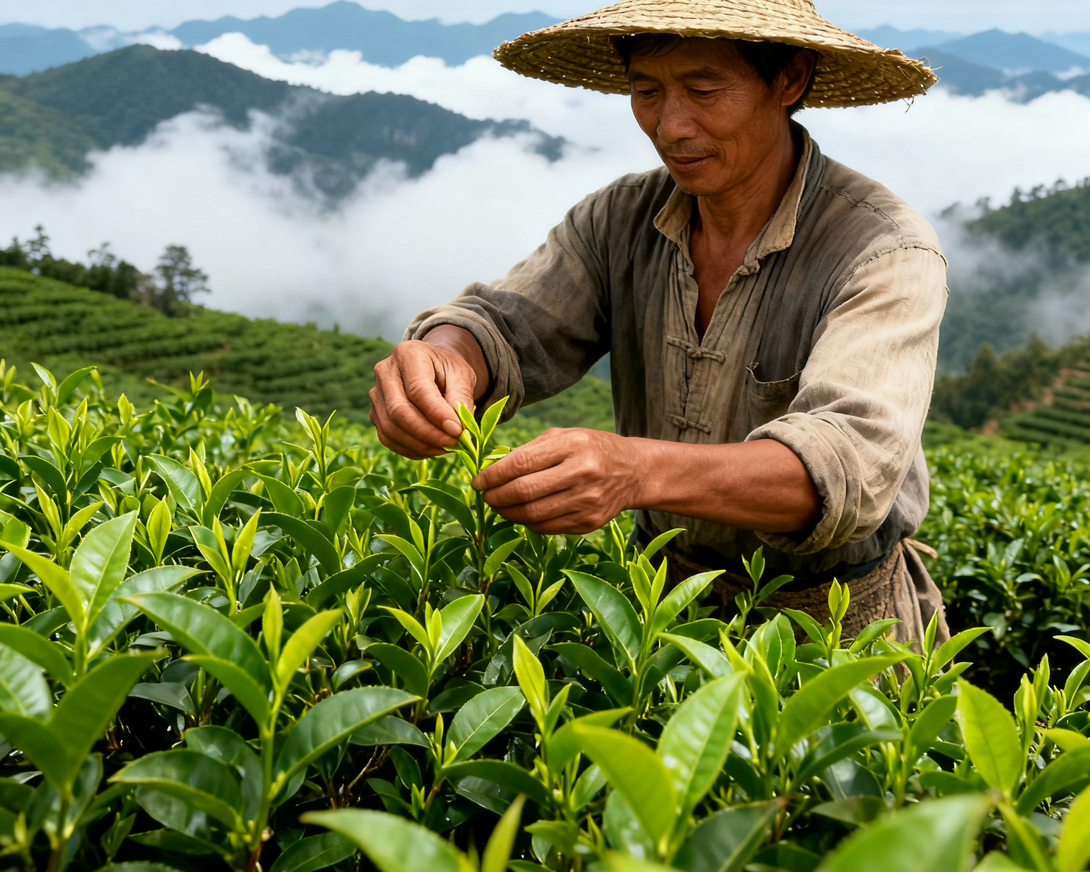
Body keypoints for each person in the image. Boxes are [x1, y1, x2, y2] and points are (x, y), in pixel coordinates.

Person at [368, 0, 951, 647]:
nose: (670, 126)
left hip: (831, 632)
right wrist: (446, 358)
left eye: (703, 89)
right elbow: (508, 324)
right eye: (647, 91)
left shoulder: (884, 250)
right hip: (658, 615)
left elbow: (847, 464)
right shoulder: (620, 218)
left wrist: (634, 469)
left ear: (789, 79)